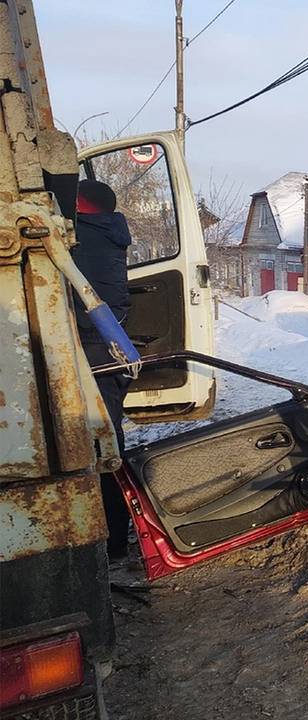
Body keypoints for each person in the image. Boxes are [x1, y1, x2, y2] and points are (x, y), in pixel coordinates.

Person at [72, 179, 134, 561]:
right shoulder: (104, 233)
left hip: (95, 352)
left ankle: (111, 541)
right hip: (104, 351)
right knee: (107, 438)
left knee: (104, 444)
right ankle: (112, 536)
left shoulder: (85, 240)